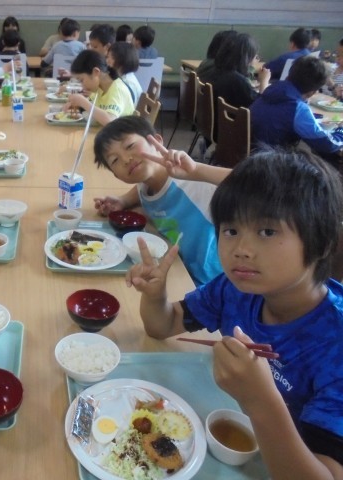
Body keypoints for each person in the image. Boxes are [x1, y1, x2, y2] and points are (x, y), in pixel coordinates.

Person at [127, 146, 343, 478]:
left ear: (322, 243)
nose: (240, 250)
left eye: (267, 231)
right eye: (231, 230)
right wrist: (156, 296)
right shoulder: (237, 290)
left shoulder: (335, 344)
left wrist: (260, 400)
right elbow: (164, 325)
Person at [93, 116, 223, 285]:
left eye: (130, 146)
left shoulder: (195, 184)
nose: (126, 159)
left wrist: (197, 171)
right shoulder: (144, 184)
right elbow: (141, 190)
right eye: (115, 160)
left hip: (212, 283)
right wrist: (123, 201)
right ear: (116, 176)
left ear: (157, 142)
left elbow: (251, 182)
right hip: (177, 269)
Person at [250, 55, 343, 165]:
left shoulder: (270, 90)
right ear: (313, 92)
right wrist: (340, 130)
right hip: (272, 163)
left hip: (252, 154)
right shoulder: (297, 109)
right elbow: (328, 145)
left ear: (289, 74)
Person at [202, 33, 270, 142]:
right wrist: (264, 82)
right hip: (229, 131)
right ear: (246, 57)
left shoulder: (216, 71)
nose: (256, 59)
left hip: (210, 125)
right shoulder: (236, 80)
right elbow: (260, 106)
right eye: (254, 56)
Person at [65, 50, 135, 126]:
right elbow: (95, 110)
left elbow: (110, 121)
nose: (82, 86)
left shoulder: (117, 89)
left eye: (81, 80)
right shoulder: (100, 89)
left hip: (122, 132)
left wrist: (83, 102)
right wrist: (79, 105)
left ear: (96, 72)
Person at [107, 41, 142, 105]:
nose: (107, 60)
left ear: (119, 59)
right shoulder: (129, 76)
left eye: (109, 57)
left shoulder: (126, 83)